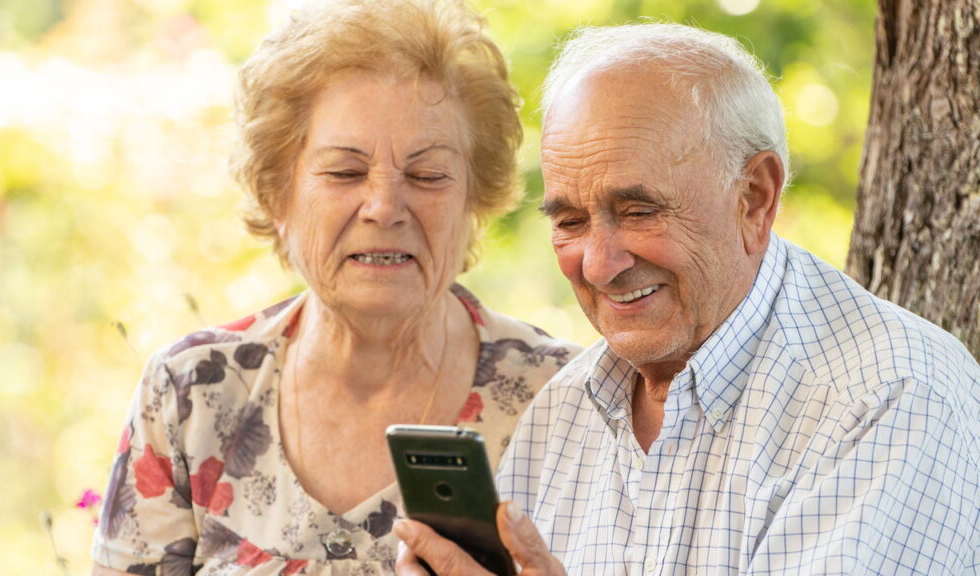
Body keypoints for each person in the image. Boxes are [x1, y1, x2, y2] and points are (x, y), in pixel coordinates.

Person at [395, 22, 980, 575]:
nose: (599, 264)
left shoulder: (891, 396)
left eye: (638, 212)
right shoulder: (564, 412)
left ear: (754, 197)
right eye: (570, 221)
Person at [90, 1, 582, 573]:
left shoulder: (567, 404)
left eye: (426, 175)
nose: (384, 206)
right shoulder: (190, 393)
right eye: (345, 172)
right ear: (279, 195)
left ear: (473, 201)